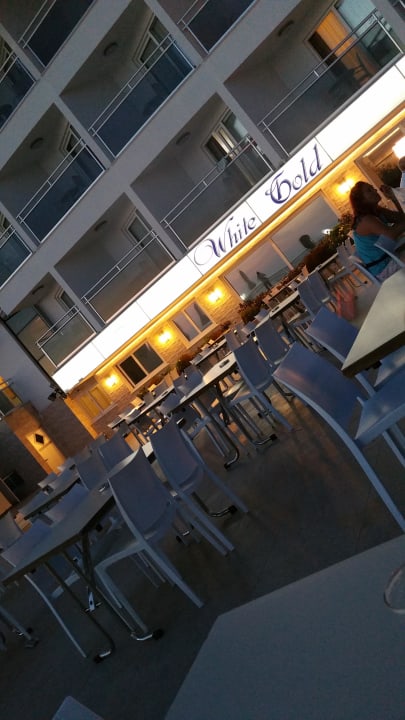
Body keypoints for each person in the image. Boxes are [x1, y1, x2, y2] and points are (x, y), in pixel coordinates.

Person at [349, 181, 405, 281]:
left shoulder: (377, 211)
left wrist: (393, 198)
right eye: (369, 190)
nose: (375, 190)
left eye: (372, 188)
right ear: (361, 200)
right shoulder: (365, 220)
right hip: (384, 268)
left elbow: (401, 218)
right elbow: (391, 235)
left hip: (391, 256)